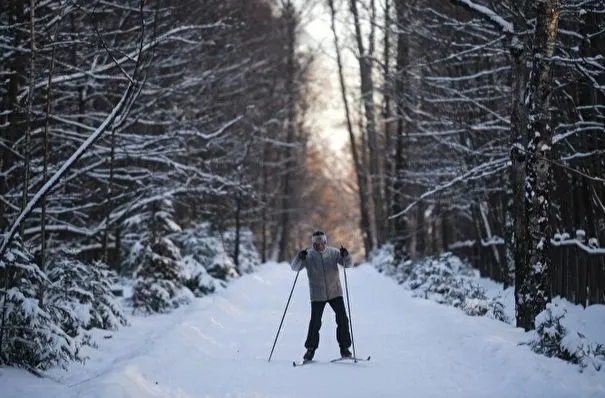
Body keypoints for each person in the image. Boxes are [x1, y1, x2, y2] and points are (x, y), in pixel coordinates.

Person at [291, 230, 353, 361]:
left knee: (342, 319)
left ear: (326, 242)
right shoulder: (308, 256)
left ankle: (345, 349)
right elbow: (295, 268)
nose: (320, 246)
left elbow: (348, 264)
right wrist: (299, 257)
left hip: (335, 292)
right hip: (317, 294)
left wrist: (346, 255)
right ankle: (310, 350)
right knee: (315, 322)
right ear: (313, 244)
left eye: (322, 243)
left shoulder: (334, 253)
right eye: (317, 244)